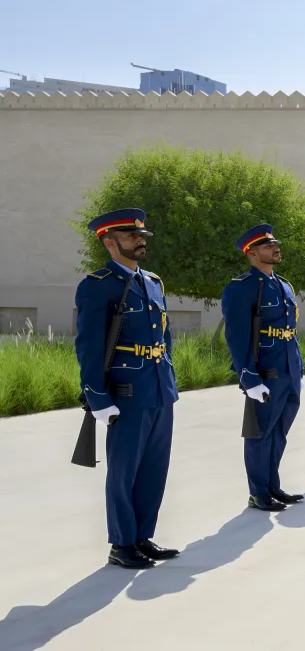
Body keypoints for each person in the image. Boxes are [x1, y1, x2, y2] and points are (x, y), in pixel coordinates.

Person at [76, 208, 178, 568]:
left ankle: (142, 537)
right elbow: (88, 346)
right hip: (126, 392)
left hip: (159, 388)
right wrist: (97, 397)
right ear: (109, 241)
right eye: (131, 235)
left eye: (141, 236)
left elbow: (163, 336)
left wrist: (169, 378)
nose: (140, 239)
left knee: (154, 468)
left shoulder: (152, 282)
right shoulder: (98, 284)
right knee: (124, 471)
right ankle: (122, 544)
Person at [222, 223, 304, 512]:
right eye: (269, 247)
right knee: (259, 433)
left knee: (280, 431)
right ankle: (258, 492)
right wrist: (248, 375)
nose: (275, 249)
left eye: (275, 245)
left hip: (289, 368)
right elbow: (236, 335)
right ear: (253, 252)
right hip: (265, 371)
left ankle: (272, 485)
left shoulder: (283, 285)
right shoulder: (241, 288)